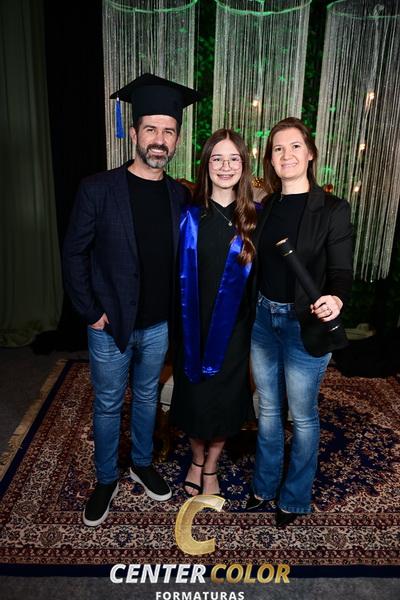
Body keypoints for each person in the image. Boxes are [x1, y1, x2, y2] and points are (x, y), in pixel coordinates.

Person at [63, 74, 201, 526]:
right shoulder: (98, 188)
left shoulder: (179, 195)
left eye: (169, 131)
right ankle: (106, 478)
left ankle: (141, 463)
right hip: (111, 324)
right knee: (107, 403)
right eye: (151, 129)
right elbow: (74, 253)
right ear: (135, 132)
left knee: (146, 396)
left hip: (158, 324)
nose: (160, 139)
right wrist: (91, 313)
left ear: (176, 138)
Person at [247, 117, 353, 527]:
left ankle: (293, 498)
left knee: (303, 417)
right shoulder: (267, 206)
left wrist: (336, 298)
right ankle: (263, 487)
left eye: (294, 147)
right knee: (268, 410)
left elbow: (341, 272)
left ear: (310, 154)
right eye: (278, 149)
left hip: (303, 326)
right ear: (271, 159)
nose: (286, 155)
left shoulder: (332, 209)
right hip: (263, 320)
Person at [170, 129, 258, 497]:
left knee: (223, 400)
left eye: (233, 159)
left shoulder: (255, 220)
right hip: (190, 324)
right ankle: (195, 459)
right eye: (217, 158)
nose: (225, 166)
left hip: (234, 330)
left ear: (243, 165)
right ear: (206, 164)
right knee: (193, 397)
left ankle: (211, 465)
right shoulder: (187, 217)